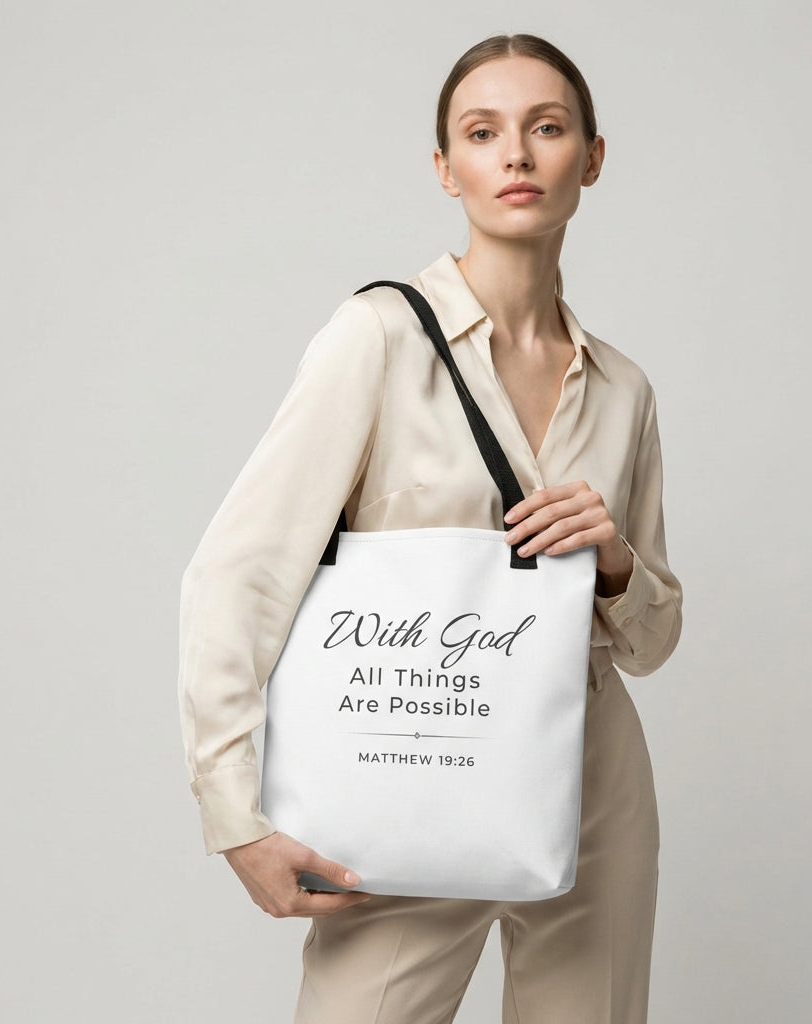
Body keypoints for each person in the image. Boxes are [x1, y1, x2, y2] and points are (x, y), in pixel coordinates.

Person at [178, 32, 682, 1024]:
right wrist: (234, 816)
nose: (517, 155)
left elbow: (656, 643)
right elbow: (240, 573)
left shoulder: (623, 388)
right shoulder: (377, 339)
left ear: (591, 156)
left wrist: (616, 560)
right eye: (483, 132)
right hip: (411, 757)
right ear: (446, 169)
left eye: (547, 128)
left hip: (596, 780)